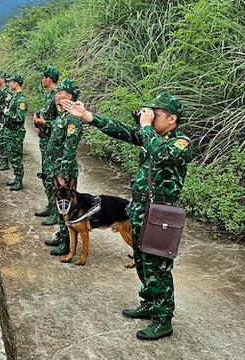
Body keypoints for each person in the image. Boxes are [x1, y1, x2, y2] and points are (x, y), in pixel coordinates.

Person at [61, 92, 193, 341]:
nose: (151, 119)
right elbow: (121, 130)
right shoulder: (151, 137)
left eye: (157, 115)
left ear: (172, 119)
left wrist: (146, 127)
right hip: (140, 210)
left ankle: (163, 319)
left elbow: (162, 154)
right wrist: (88, 116)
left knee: (159, 266)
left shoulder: (180, 142)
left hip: (161, 213)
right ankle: (149, 303)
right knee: (142, 261)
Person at [44, 78, 83, 255]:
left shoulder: (73, 119)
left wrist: (62, 173)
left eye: (60, 93)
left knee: (66, 206)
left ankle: (68, 244)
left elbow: (70, 148)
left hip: (64, 171)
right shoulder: (63, 116)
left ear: (69, 96)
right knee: (59, 204)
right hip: (56, 167)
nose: (57, 95)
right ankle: (62, 235)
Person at [33, 66, 60, 225]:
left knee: (52, 177)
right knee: (46, 175)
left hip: (52, 143)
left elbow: (61, 120)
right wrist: (40, 126)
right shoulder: (49, 95)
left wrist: (46, 123)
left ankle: (57, 212)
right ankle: (51, 206)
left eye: (44, 77)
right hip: (45, 140)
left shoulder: (57, 97)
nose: (42, 80)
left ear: (49, 79)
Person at [2, 73, 27, 191]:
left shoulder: (21, 99)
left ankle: (19, 180)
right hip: (10, 131)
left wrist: (7, 112)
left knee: (16, 157)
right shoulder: (14, 96)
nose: (9, 83)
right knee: (12, 156)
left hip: (15, 133)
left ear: (16, 83)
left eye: (11, 81)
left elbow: (20, 117)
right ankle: (16, 178)